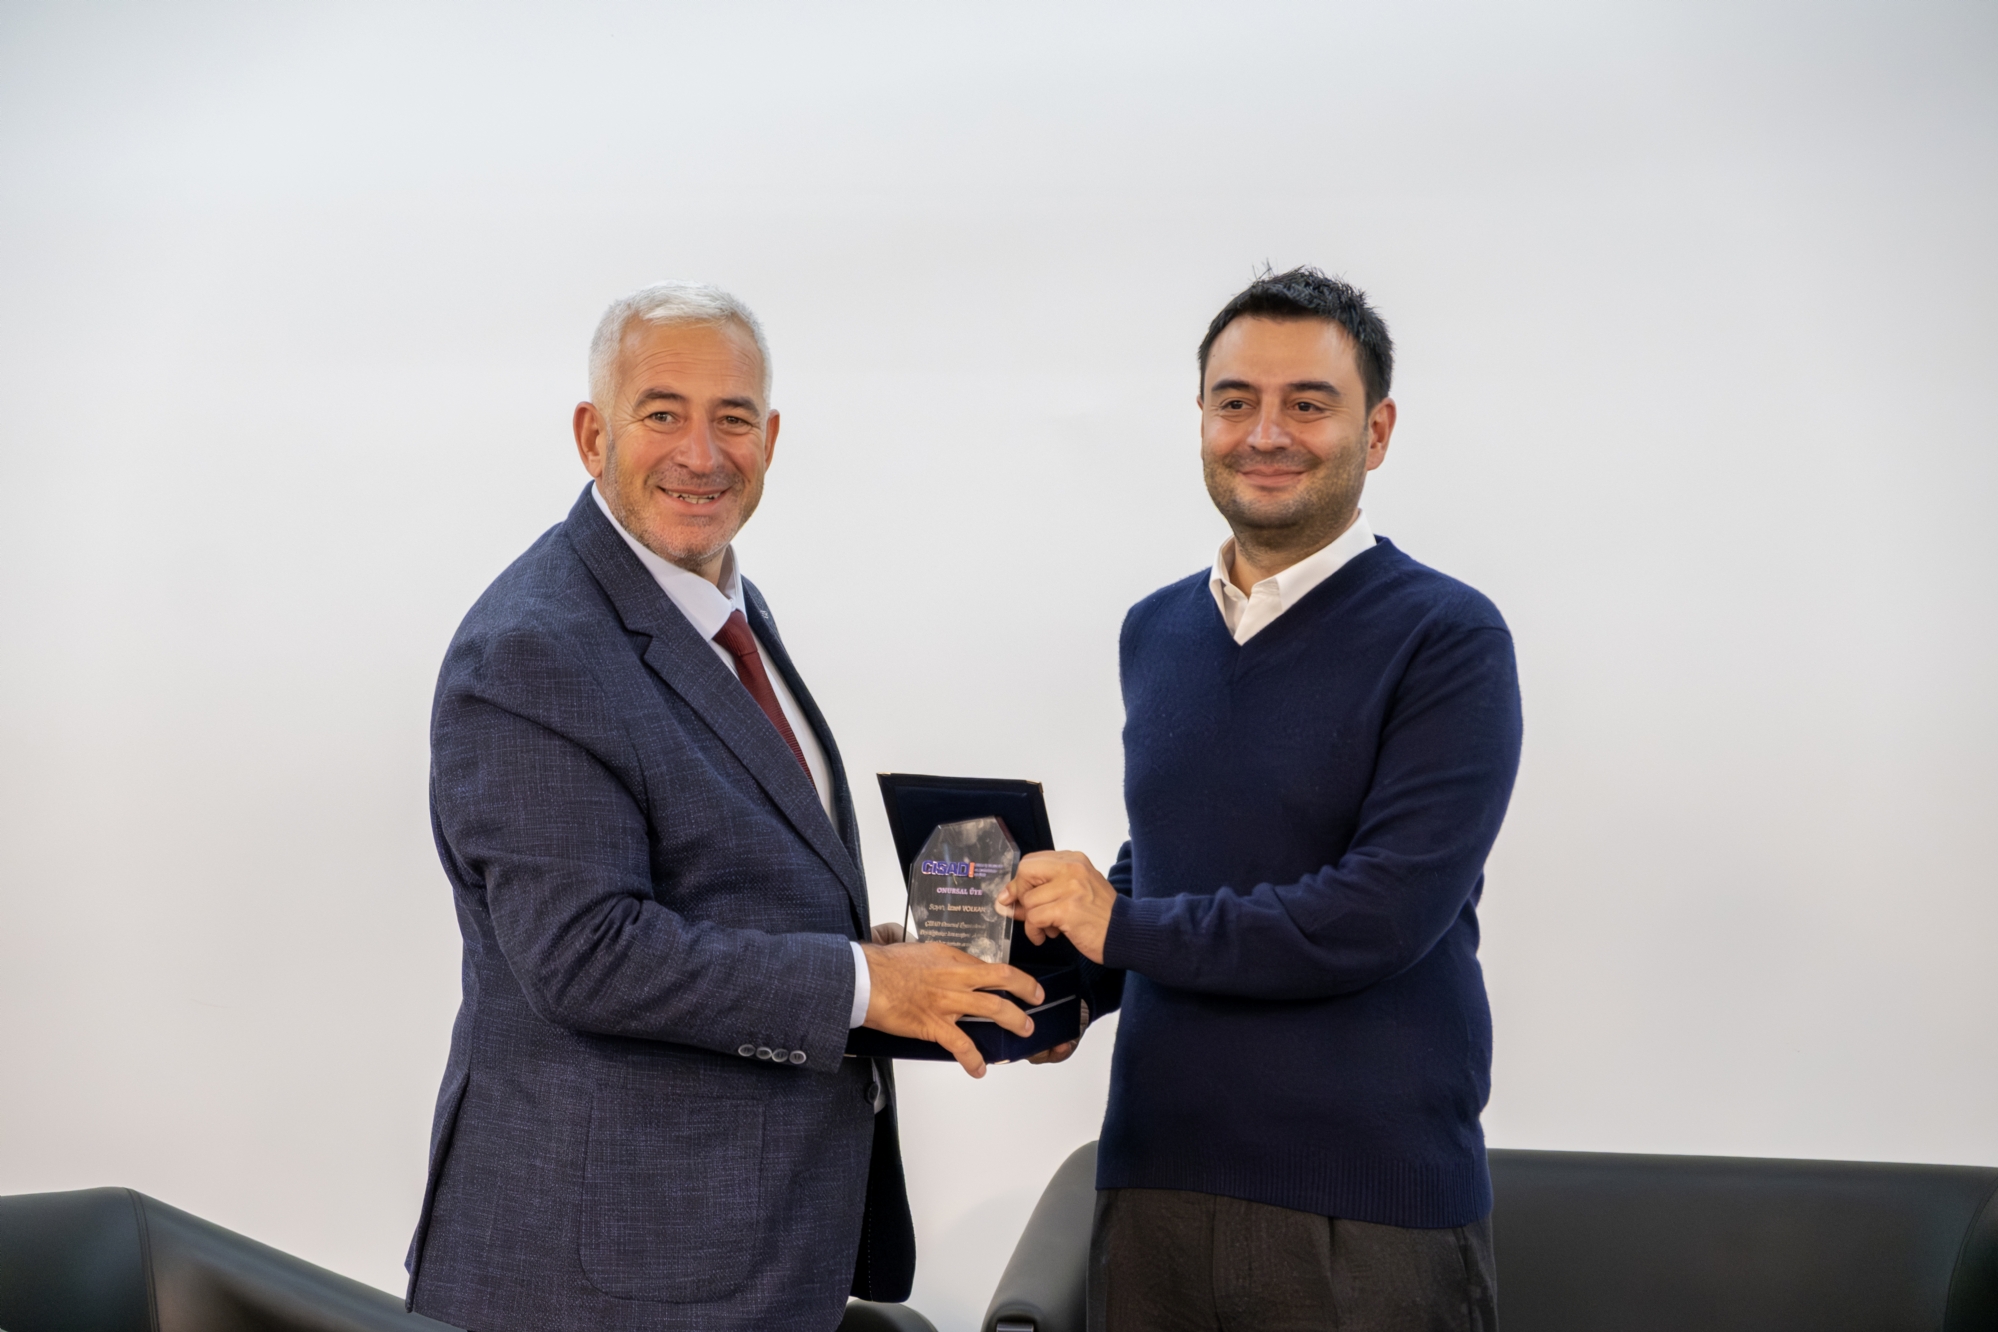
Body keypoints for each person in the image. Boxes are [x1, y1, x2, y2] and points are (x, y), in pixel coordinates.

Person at [405, 281, 1044, 1332]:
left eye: (733, 418)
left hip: (740, 1252)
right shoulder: (534, 649)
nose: (701, 454)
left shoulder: (722, 605)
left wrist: (900, 968)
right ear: (593, 434)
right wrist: (862, 983)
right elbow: (586, 954)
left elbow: (736, 887)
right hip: (601, 1281)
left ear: (771, 439)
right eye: (662, 413)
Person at [1005, 268, 1522, 1331]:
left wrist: (1119, 927)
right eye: (1235, 401)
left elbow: (1378, 915)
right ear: (1201, 419)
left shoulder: (1448, 638)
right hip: (1154, 1187)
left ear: (1377, 432)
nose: (1266, 433)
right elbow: (1170, 864)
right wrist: (1063, 986)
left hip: (1365, 1215)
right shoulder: (1157, 631)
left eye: (1308, 403)